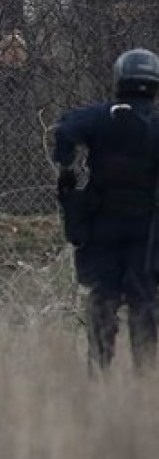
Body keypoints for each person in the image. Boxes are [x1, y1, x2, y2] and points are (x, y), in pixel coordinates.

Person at [54, 48, 159, 372]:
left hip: (103, 224)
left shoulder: (101, 117)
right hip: (147, 228)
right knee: (144, 300)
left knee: (103, 297)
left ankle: (98, 368)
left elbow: (65, 130)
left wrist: (66, 166)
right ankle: (145, 373)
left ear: (119, 80)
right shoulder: (155, 123)